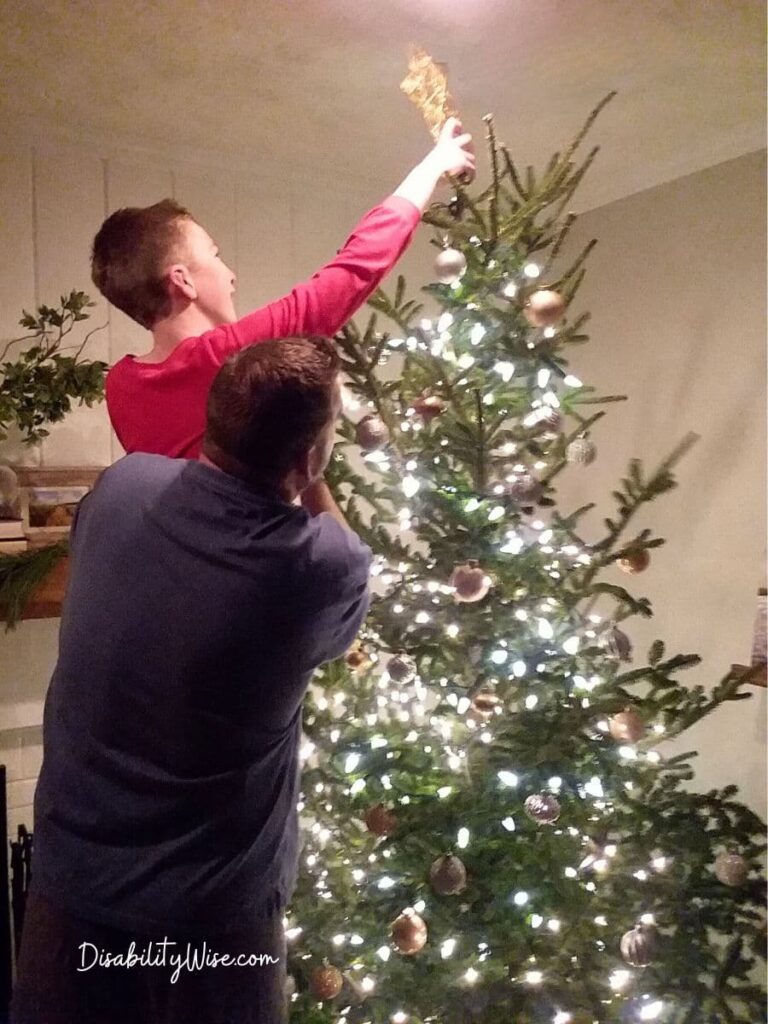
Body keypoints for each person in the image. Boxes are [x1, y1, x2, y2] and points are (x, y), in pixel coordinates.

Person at [12, 337, 366, 1024]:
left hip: (72, 892)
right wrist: (313, 468)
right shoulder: (320, 565)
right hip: (214, 924)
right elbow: (344, 566)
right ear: (312, 454)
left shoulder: (120, 487)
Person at [95, 118, 475, 459]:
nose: (230, 276)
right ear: (183, 281)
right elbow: (354, 268)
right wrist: (433, 166)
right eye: (215, 255)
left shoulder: (121, 385)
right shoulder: (225, 358)